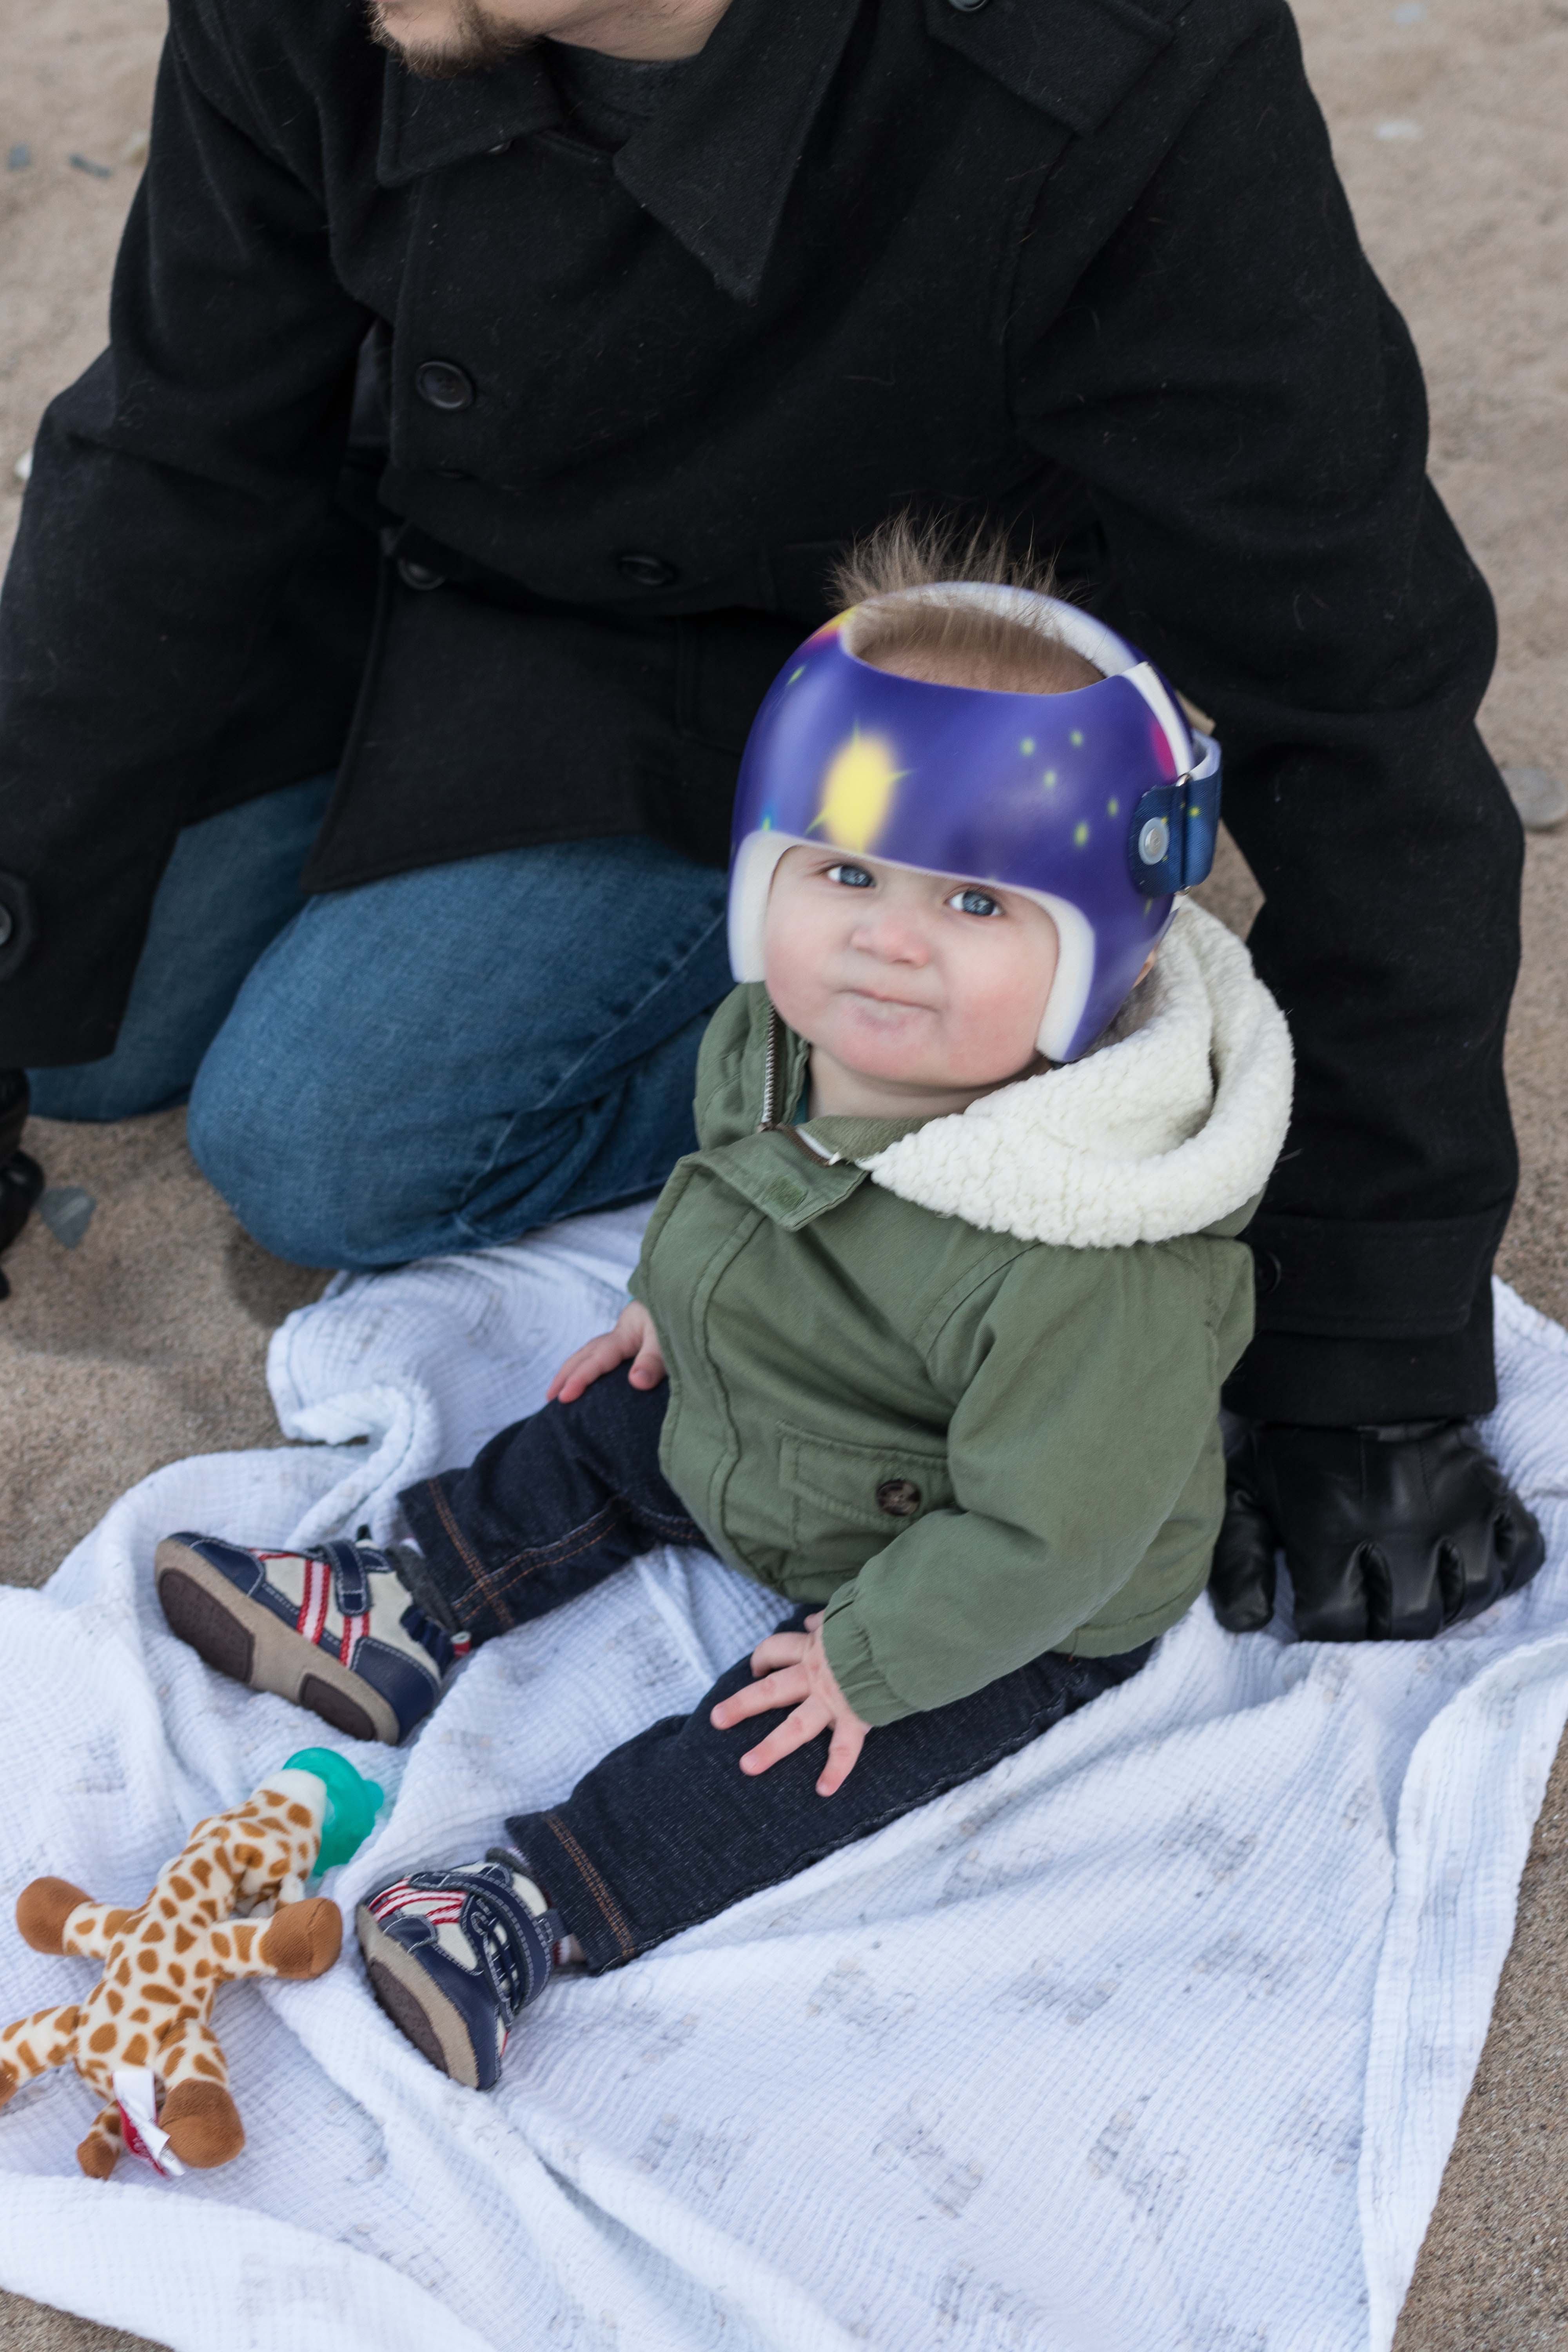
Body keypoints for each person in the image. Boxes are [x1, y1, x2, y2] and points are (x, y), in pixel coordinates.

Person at [0, 0, 1539, 1640]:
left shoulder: (1114, 52)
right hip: (406, 552)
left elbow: (1357, 692)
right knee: (79, 1024)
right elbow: (172, 449)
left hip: (824, 693)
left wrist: (1366, 1359)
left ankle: (978, 981)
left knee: (321, 1137)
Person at [150, 551, 1311, 2083]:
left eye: (974, 899)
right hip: (794, 1409)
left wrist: (870, 1654)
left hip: (982, 1582)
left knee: (796, 1743)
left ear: (1116, 950)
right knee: (596, 1428)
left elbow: (1057, 1538)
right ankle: (409, 1604)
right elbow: (725, 1189)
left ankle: (541, 1900)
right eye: (844, 876)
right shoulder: (781, 1034)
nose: (888, 938)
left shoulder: (1106, 1258)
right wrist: (670, 1304)